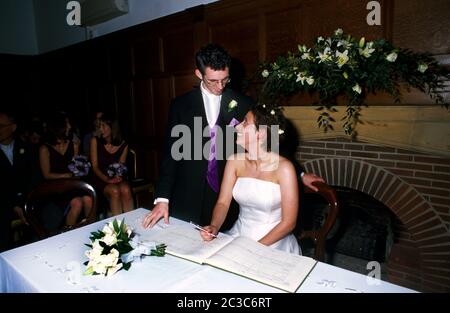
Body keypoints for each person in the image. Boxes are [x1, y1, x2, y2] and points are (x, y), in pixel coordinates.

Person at [143, 43, 324, 230]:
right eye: (213, 81)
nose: (220, 86)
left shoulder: (241, 103)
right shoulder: (180, 105)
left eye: (225, 79)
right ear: (199, 74)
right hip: (187, 191)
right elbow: (171, 154)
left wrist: (300, 174)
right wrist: (162, 199)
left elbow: (269, 142)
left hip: (224, 191)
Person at [199, 104, 301, 253]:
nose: (237, 126)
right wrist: (214, 226)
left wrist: (253, 249)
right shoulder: (234, 161)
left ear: (261, 133)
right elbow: (223, 203)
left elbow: (289, 223)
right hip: (239, 235)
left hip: (272, 243)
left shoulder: (284, 169)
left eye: (245, 122)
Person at [39, 112, 93, 229]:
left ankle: (91, 231)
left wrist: (82, 168)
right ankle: (67, 233)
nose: (69, 127)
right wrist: (67, 175)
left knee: (89, 199)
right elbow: (46, 175)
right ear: (58, 127)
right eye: (66, 124)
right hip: (55, 187)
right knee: (77, 203)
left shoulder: (73, 144)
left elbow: (77, 167)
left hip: (72, 184)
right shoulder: (45, 148)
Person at [0, 110, 39, 251]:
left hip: (27, 198)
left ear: (13, 127)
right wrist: (13, 204)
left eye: (1, 126)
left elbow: (34, 177)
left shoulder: (26, 148)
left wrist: (23, 200)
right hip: (5, 203)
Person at [90, 113, 134, 216]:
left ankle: (131, 223)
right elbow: (95, 167)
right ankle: (117, 227)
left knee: (126, 189)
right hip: (100, 178)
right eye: (99, 126)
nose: (100, 129)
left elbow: (121, 166)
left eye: (103, 126)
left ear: (112, 127)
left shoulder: (124, 144)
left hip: (114, 178)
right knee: (114, 190)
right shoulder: (95, 141)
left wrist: (118, 177)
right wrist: (107, 179)